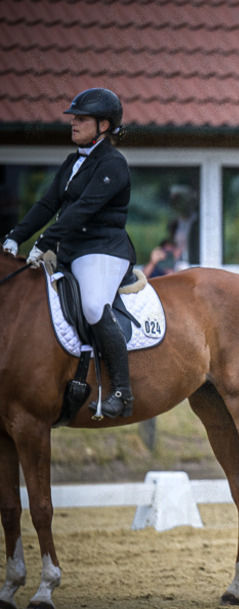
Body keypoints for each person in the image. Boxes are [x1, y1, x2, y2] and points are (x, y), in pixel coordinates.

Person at [2, 87, 136, 418]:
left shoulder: (113, 164)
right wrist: (13, 238)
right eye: (73, 118)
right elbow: (48, 204)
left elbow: (84, 210)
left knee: (92, 305)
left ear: (103, 126)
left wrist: (44, 242)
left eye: (81, 119)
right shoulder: (72, 162)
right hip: (73, 251)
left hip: (103, 250)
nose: (73, 124)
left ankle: (122, 391)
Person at [166, 184, 199, 266]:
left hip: (194, 265)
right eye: (175, 202)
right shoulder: (175, 223)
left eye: (180, 201)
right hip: (178, 265)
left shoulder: (198, 222)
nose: (178, 205)